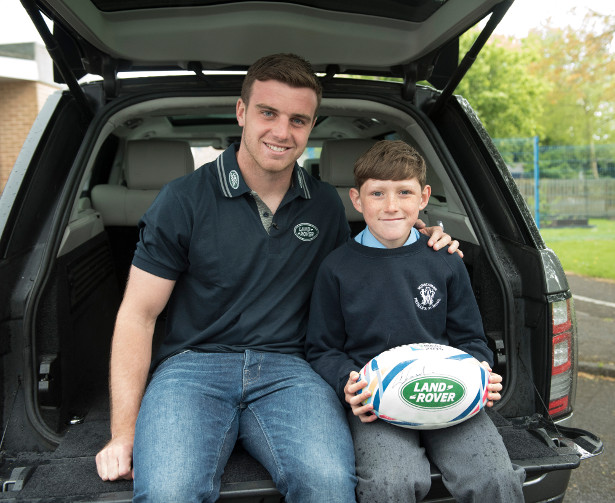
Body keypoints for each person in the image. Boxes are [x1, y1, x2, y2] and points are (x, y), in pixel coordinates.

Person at [94, 54, 456, 502]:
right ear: (242, 113)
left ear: (311, 126)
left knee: (327, 486)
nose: (282, 132)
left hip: (292, 370)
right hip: (192, 369)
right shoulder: (182, 199)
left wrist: (425, 237)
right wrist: (122, 433)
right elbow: (138, 315)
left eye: (298, 120)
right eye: (268, 113)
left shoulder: (324, 205)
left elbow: (371, 260)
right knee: (169, 491)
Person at [305, 140, 526, 502]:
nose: (391, 206)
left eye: (403, 192)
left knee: (495, 478)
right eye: (377, 193)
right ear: (357, 200)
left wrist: (481, 371)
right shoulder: (336, 268)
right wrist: (349, 385)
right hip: (378, 404)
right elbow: (322, 348)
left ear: (423, 197)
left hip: (447, 393)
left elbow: (471, 339)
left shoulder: (445, 259)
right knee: (390, 483)